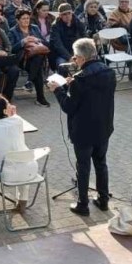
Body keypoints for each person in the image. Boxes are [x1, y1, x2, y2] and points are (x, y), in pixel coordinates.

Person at [49, 38, 116, 216]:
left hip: (83, 131)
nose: (74, 60)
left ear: (82, 58)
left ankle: (83, 204)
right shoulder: (109, 72)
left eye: (75, 57)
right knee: (101, 163)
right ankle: (103, 200)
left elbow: (69, 107)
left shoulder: (80, 80)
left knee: (83, 167)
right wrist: (72, 84)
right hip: (103, 127)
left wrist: (58, 90)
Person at [9, 8, 50, 106]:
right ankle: (40, 97)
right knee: (37, 67)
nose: (26, 20)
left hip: (35, 57)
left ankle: (30, 82)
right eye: (23, 18)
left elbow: (45, 43)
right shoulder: (12, 31)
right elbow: (11, 49)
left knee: (37, 60)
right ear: (17, 20)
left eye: (28, 18)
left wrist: (37, 40)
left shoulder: (34, 28)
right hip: (22, 59)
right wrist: (23, 41)